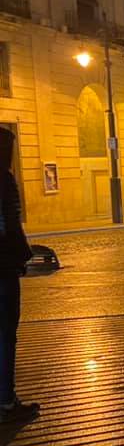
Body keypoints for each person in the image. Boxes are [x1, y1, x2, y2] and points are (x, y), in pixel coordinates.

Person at [0, 128, 39, 424]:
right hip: (2, 267)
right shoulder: (4, 180)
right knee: (5, 334)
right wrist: (23, 256)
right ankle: (6, 400)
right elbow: (11, 225)